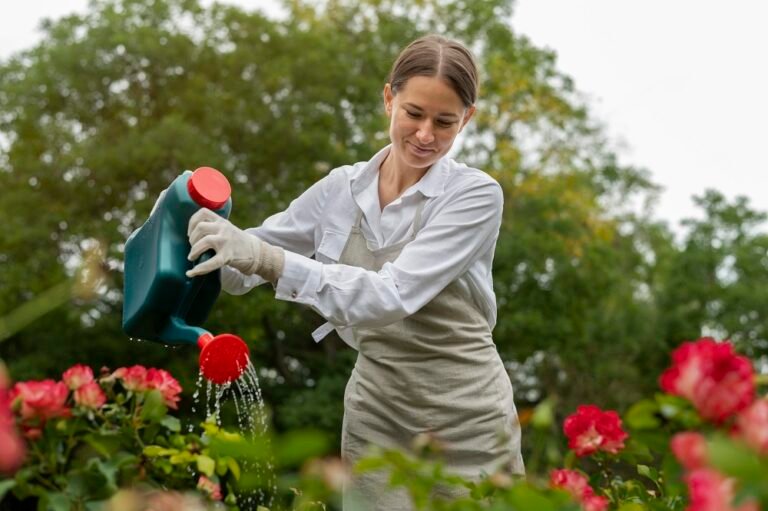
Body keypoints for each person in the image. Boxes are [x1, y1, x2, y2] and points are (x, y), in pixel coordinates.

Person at [184, 34, 525, 509]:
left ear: (467, 118)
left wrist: (263, 258)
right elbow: (241, 268)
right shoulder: (339, 189)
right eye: (413, 113)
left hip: (466, 416)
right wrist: (197, 238)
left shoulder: (474, 196)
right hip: (378, 410)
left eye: (445, 122)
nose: (426, 134)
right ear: (389, 98)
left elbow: (391, 296)